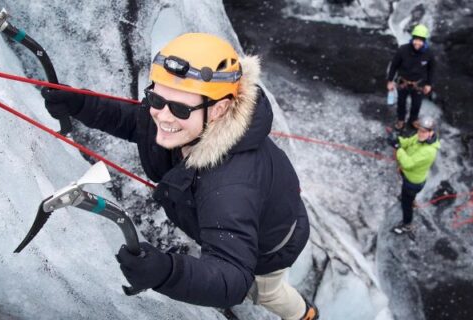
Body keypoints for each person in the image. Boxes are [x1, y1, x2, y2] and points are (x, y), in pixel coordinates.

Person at [41, 33, 318, 320]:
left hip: (272, 244)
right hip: (241, 215)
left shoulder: (229, 186)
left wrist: (169, 272)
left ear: (220, 109)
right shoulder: (186, 121)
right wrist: (80, 104)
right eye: (155, 98)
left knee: (266, 292)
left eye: (180, 108)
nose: (162, 116)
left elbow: (233, 277)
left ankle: (305, 314)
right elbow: (137, 124)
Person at [392, 116, 441, 234]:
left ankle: (407, 224)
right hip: (409, 176)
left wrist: (398, 149)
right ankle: (411, 200)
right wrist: (398, 140)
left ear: (431, 133)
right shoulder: (420, 138)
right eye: (419, 130)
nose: (419, 133)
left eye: (423, 132)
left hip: (412, 182)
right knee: (408, 196)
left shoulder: (429, 151)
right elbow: (408, 142)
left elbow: (408, 163)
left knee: (406, 204)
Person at [387, 24, 436, 130]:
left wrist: (429, 84)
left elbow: (431, 69)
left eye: (420, 40)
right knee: (401, 103)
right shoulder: (403, 50)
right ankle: (401, 120)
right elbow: (394, 65)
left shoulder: (429, 54)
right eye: (416, 39)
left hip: (418, 84)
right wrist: (390, 80)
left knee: (416, 104)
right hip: (403, 82)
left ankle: (413, 120)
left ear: (424, 41)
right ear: (412, 39)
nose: (417, 43)